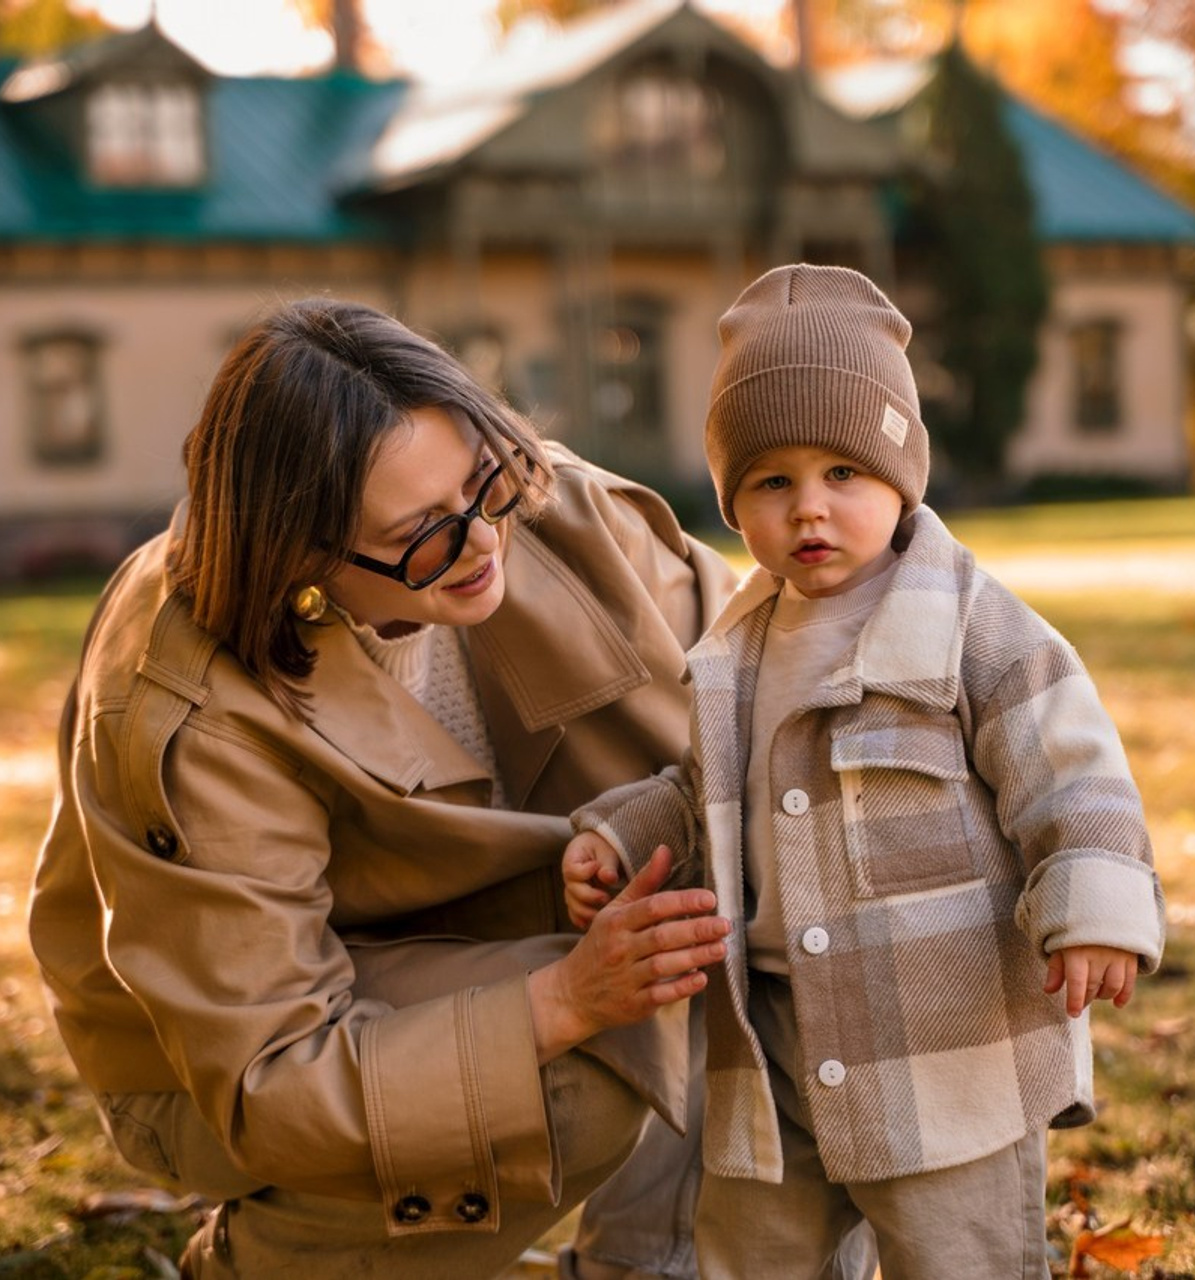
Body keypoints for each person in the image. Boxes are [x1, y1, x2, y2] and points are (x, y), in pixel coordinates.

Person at [27, 297, 740, 1279]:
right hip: (224, 1053)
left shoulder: (549, 512)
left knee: (757, 908)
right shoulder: (187, 707)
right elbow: (270, 1073)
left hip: (485, 936)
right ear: (301, 558)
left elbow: (780, 681)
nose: (486, 541)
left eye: (486, 482)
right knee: (593, 1061)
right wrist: (567, 1001)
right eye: (424, 535)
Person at [563, 264, 1166, 1280]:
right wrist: (617, 834)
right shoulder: (736, 642)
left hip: (940, 1045)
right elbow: (698, 785)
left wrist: (1095, 903)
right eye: (771, 481)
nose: (809, 508)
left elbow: (1069, 766)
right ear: (732, 501)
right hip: (772, 1037)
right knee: (753, 1251)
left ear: (899, 477)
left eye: (842, 473)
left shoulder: (971, 623)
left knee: (956, 1251)